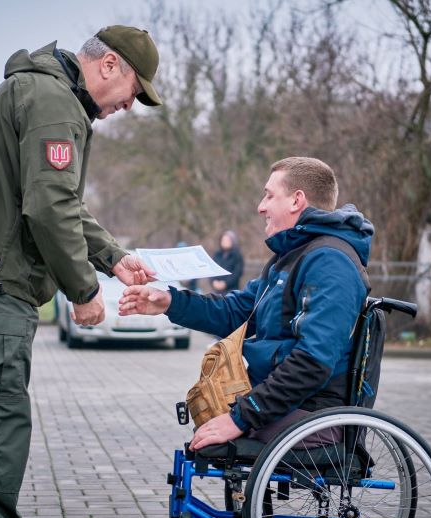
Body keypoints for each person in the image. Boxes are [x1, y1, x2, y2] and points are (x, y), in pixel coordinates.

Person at [0, 26, 161, 518]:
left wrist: (112, 257)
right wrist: (86, 291)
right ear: (109, 65)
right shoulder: (54, 103)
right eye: (135, 91)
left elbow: (59, 200)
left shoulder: (40, 89)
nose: (130, 105)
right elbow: (48, 207)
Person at [119, 157, 374, 451]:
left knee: (207, 440)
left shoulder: (330, 263)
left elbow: (312, 362)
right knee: (202, 424)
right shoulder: (291, 257)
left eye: (269, 195)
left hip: (312, 412)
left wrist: (240, 418)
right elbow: (235, 312)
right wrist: (169, 302)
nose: (260, 206)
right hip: (282, 402)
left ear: (296, 200)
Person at [210, 230, 244, 294]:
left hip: (231, 290)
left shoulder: (237, 255)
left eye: (227, 240)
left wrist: (225, 283)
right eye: (223, 240)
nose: (225, 242)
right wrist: (214, 282)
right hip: (216, 291)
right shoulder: (217, 255)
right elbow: (212, 269)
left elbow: (237, 273)